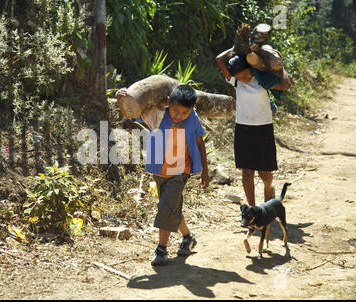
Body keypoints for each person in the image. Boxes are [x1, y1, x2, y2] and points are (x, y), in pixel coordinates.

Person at [116, 84, 210, 266]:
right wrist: (123, 97)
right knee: (171, 207)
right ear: (168, 102)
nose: (179, 115)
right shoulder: (157, 114)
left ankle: (161, 249)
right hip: (160, 170)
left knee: (166, 207)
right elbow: (133, 112)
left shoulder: (193, 119)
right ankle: (188, 237)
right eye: (175, 111)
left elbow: (200, 143)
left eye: (184, 112)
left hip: (181, 171)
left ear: (192, 109)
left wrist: (205, 171)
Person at [215, 48, 293, 207]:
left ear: (251, 68)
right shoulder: (235, 81)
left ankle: (268, 192)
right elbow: (219, 59)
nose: (243, 79)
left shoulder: (263, 80)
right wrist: (237, 48)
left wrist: (280, 66)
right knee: (247, 172)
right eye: (240, 77)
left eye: (246, 75)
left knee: (265, 173)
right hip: (243, 131)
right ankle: (252, 208)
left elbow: (285, 85)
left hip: (263, 130)